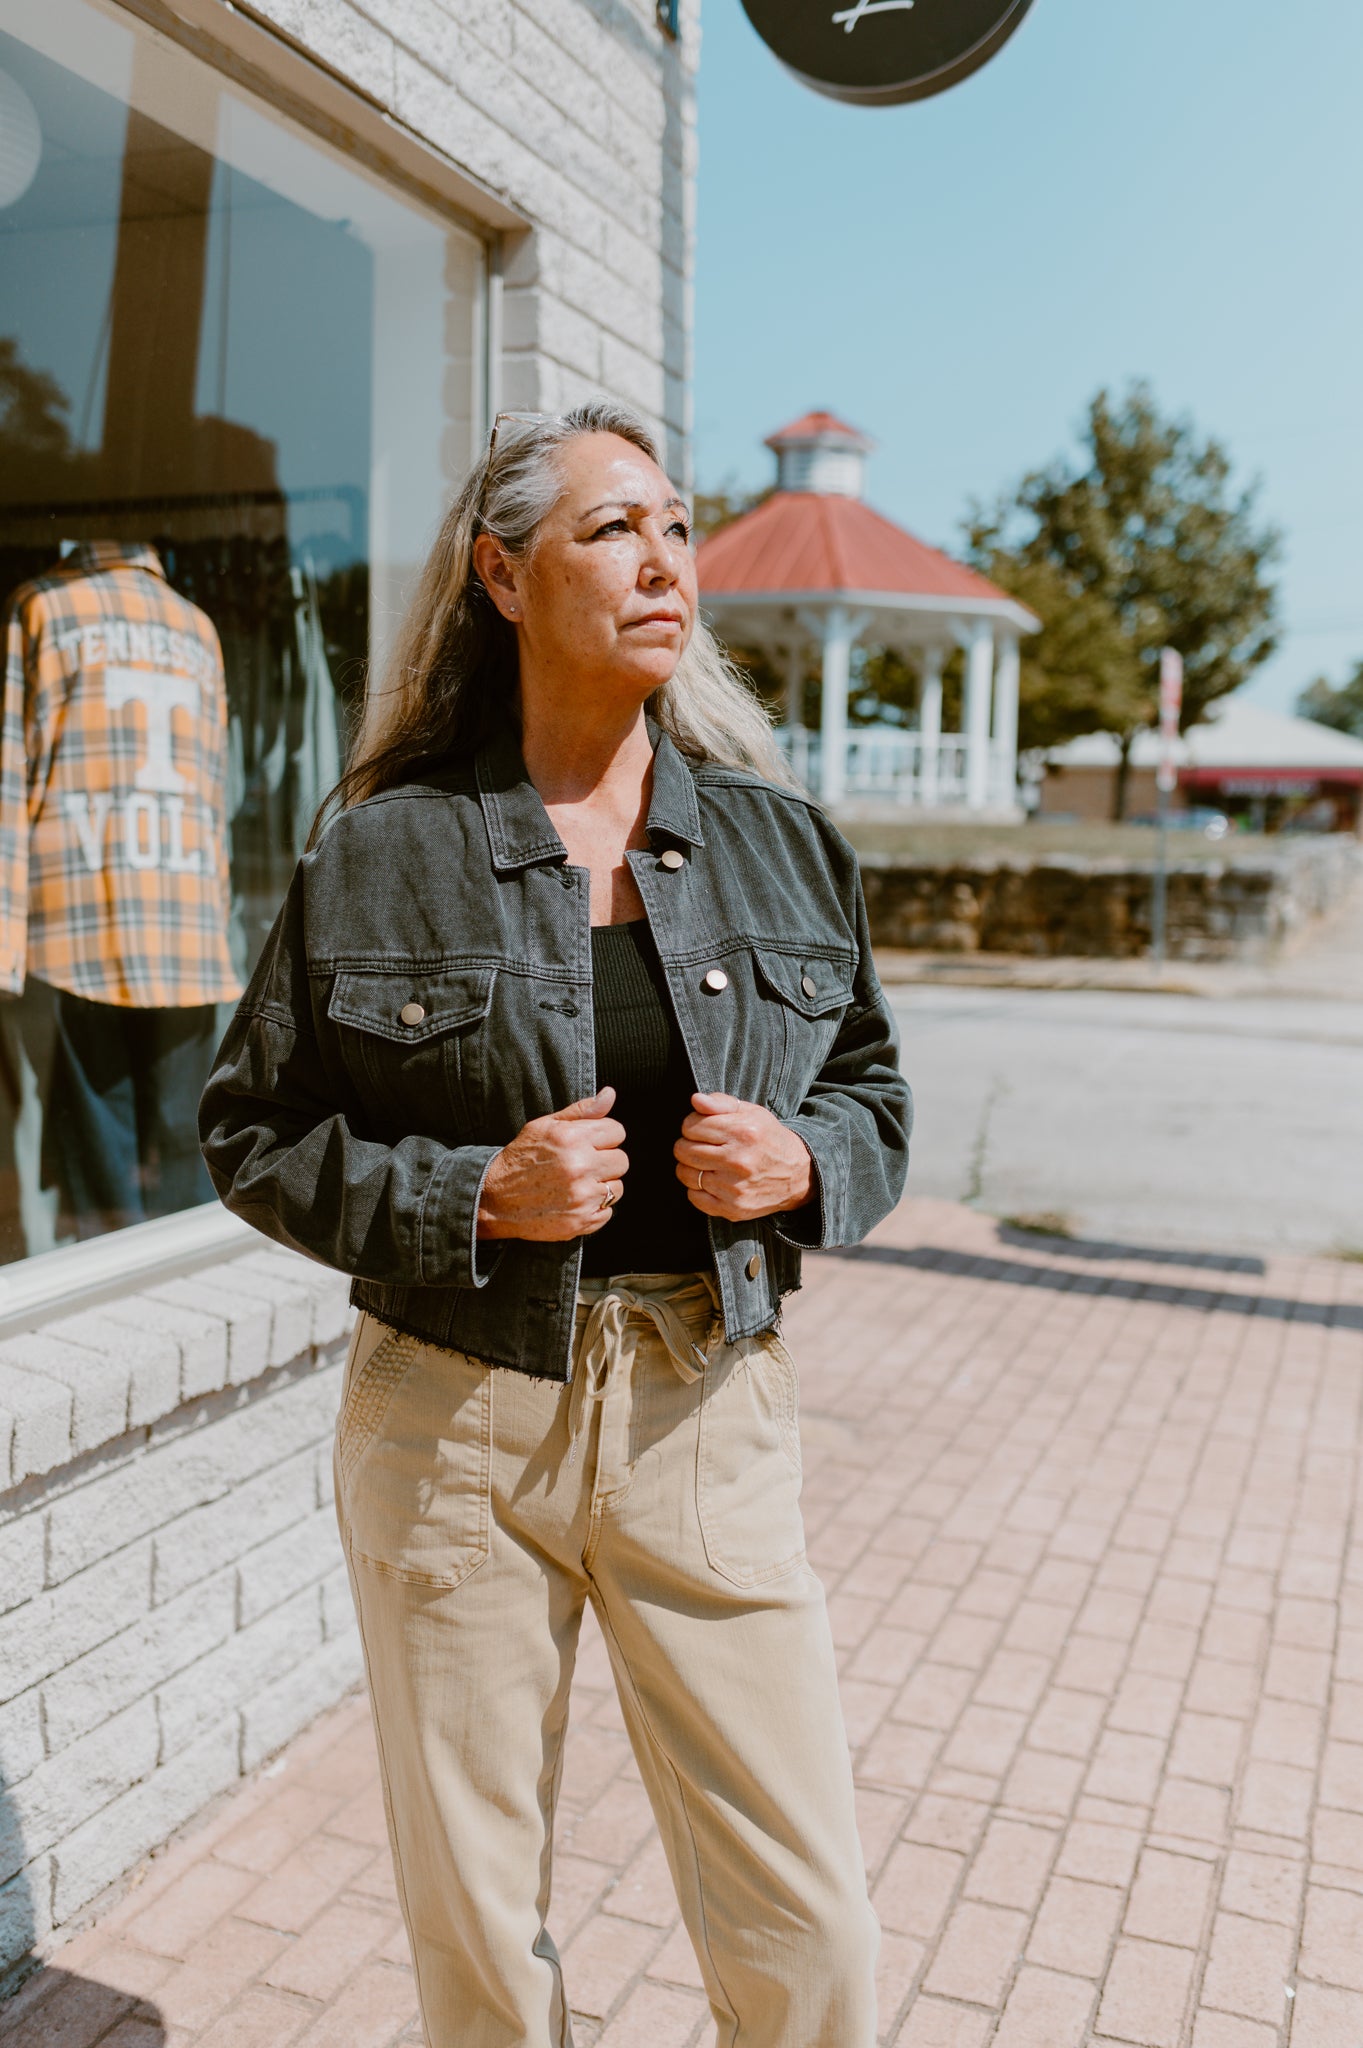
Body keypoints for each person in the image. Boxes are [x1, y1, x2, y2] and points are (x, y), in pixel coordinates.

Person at [199, 401, 912, 2048]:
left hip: (703, 1408)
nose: (665, 561)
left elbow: (871, 1093)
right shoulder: (379, 854)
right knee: (477, 1940)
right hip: (452, 1416)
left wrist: (802, 1166)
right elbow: (251, 1128)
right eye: (613, 529)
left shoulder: (783, 846)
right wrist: (473, 1198)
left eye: (676, 526)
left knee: (809, 1925)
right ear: (503, 577)